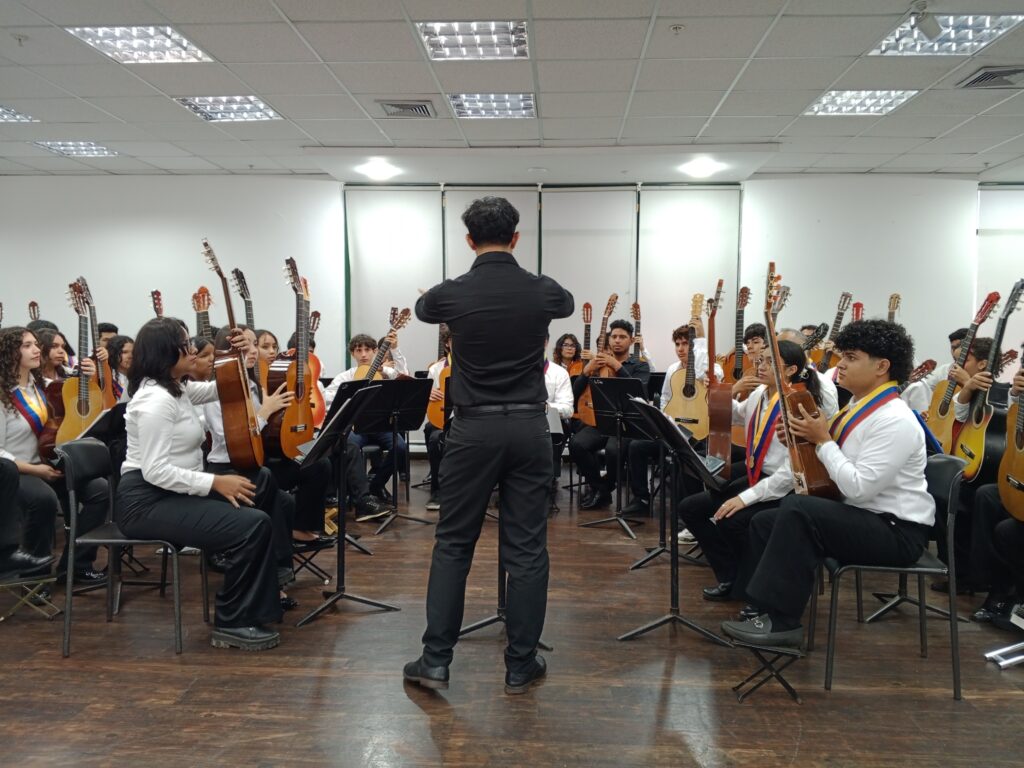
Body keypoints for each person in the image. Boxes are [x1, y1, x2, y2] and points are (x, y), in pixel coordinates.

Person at [404, 196, 573, 695]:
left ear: (468, 240)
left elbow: (423, 308)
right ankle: (521, 665)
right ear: (516, 238)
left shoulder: (452, 293)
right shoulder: (541, 290)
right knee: (527, 549)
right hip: (529, 428)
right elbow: (565, 303)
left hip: (472, 431)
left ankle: (435, 661)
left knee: (454, 543)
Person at [721, 320, 934, 647]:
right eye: (843, 356)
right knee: (765, 520)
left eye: (851, 357)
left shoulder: (894, 419)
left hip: (896, 531)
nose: (841, 364)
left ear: (882, 367)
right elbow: (833, 460)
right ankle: (759, 608)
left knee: (799, 508)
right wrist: (803, 441)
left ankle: (783, 623)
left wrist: (822, 440)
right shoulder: (859, 407)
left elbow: (858, 488)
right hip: (865, 515)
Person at [115, 318, 282, 650]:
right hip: (146, 502)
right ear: (166, 352)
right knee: (253, 525)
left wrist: (238, 355)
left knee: (258, 483)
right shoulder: (155, 401)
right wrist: (215, 482)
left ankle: (265, 581)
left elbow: (226, 387)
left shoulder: (177, 389)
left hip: (171, 492)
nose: (192, 349)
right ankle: (233, 621)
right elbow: (155, 471)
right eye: (185, 344)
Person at [679, 341, 833, 604]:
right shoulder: (760, 393)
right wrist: (720, 391)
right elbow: (736, 415)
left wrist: (745, 498)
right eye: (760, 360)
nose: (760, 366)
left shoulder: (797, 404)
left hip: (783, 487)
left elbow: (790, 473)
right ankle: (731, 574)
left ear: (791, 370)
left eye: (770, 362)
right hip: (757, 473)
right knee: (690, 508)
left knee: (731, 520)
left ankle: (750, 583)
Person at [0, 326, 107, 585]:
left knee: (100, 490)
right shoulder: (3, 396)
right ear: (9, 353)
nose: (37, 350)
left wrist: (93, 374)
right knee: (43, 500)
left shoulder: (42, 386)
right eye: (27, 346)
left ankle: (76, 565)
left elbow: (78, 391)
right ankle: (34, 579)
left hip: (48, 463)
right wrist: (35, 470)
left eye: (36, 344)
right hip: (18, 470)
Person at [203, 326, 300, 611]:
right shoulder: (216, 389)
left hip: (249, 464)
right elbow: (229, 437)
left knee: (287, 499)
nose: (254, 351)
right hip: (224, 470)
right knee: (269, 490)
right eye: (245, 347)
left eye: (254, 345)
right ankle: (275, 578)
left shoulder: (253, 385)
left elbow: (258, 433)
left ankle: (278, 571)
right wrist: (265, 411)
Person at [623, 323, 720, 516]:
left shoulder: (712, 368)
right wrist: (664, 419)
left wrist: (699, 346)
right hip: (674, 431)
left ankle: (687, 510)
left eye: (686, 344)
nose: (681, 349)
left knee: (684, 457)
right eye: (677, 344)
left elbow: (712, 382)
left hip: (700, 435)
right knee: (636, 446)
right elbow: (666, 397)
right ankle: (642, 499)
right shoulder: (672, 369)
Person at [570, 318, 651, 510]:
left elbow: (640, 393)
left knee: (614, 450)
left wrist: (618, 366)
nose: (617, 340)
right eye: (614, 336)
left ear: (631, 340)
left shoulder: (640, 365)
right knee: (576, 444)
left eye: (622, 337)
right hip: (602, 421)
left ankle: (606, 486)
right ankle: (601, 489)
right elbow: (574, 393)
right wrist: (586, 372)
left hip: (627, 424)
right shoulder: (599, 363)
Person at [324, 333, 409, 508]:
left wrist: (395, 349)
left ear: (375, 351)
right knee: (348, 448)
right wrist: (349, 397)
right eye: (358, 350)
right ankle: (357, 493)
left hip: (380, 425)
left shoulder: (385, 372)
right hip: (356, 427)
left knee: (400, 447)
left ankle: (376, 485)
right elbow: (327, 398)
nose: (363, 354)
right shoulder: (345, 377)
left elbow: (405, 378)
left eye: (367, 350)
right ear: (352, 353)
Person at [423, 326, 453, 512]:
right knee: (434, 436)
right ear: (447, 343)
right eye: (453, 339)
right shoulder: (436, 369)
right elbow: (429, 398)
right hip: (444, 418)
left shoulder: (477, 365)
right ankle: (437, 490)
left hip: (472, 420)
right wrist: (429, 394)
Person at [544, 332, 574, 513]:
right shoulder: (514, 371)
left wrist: (545, 407)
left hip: (549, 424)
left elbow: (568, 409)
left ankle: (546, 492)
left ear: (545, 342)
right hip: (519, 423)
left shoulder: (558, 373)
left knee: (551, 439)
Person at [106, 334, 133, 402]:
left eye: (133, 352)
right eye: (124, 352)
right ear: (113, 353)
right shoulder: (106, 377)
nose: (131, 356)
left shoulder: (142, 377)